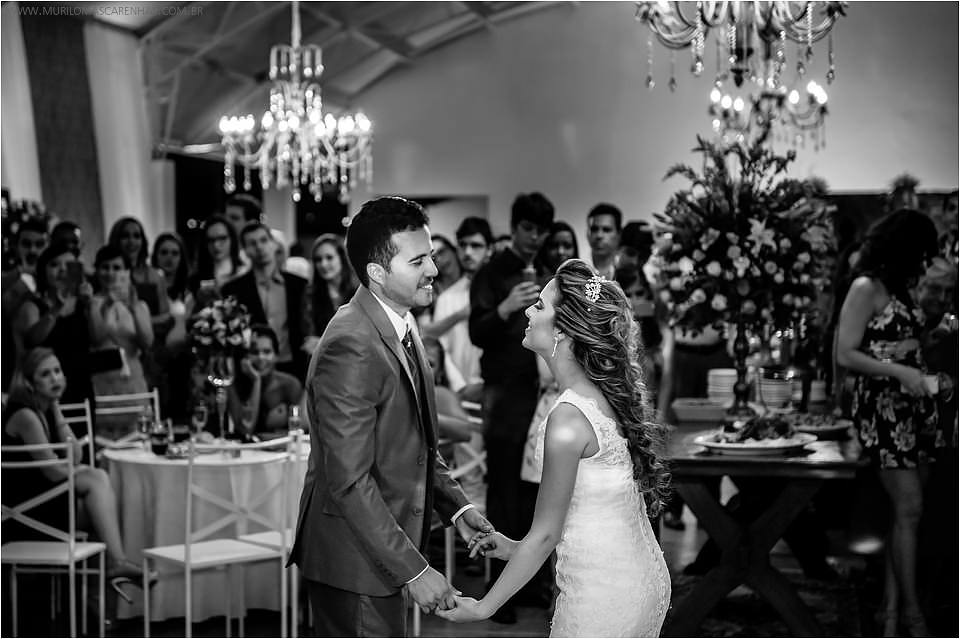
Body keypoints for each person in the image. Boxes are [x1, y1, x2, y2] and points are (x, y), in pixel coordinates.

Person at [289, 196, 493, 637]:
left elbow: (417, 442)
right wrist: (415, 571)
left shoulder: (401, 321)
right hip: (353, 562)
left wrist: (458, 508)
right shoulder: (352, 344)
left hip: (381, 550)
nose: (434, 269)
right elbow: (348, 480)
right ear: (378, 273)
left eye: (432, 256)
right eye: (418, 260)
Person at [439, 259, 671, 636]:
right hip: (639, 577)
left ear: (563, 330)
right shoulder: (604, 396)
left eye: (540, 306)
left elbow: (546, 534)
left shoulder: (567, 418)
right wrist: (514, 548)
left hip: (604, 597)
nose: (529, 310)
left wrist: (483, 607)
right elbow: (586, 512)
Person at [836, 208, 940, 637]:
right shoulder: (865, 287)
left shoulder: (906, 286)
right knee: (910, 506)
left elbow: (908, 339)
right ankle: (913, 616)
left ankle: (891, 613)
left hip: (916, 404)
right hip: (882, 406)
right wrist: (900, 372)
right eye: (923, 252)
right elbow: (846, 352)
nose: (927, 261)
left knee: (907, 514)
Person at [2, 348, 154, 590]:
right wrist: (87, 474)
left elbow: (75, 455)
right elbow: (52, 472)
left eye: (57, 371)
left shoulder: (44, 409)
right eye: (45, 374)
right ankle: (113, 572)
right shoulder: (25, 416)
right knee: (100, 488)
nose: (55, 378)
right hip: (24, 514)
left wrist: (56, 407)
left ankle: (105, 586)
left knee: (100, 502)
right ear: (29, 383)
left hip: (45, 503)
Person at [469, 191, 554, 623]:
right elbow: (476, 332)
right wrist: (504, 307)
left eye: (541, 230)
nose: (534, 237)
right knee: (503, 489)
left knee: (536, 492)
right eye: (527, 228)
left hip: (541, 393)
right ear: (515, 225)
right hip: (503, 392)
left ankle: (535, 583)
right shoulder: (491, 271)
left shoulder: (546, 269)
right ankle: (498, 591)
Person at [222, 221, 308, 382]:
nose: (259, 247)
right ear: (245, 251)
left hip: (293, 365)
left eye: (263, 240)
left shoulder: (299, 284)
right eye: (252, 243)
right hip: (252, 369)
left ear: (273, 244)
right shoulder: (233, 289)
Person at [13, 242, 94, 404]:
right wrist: (56, 309)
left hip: (81, 385)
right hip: (45, 389)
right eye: (55, 264)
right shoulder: (32, 305)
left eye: (69, 265)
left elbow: (97, 338)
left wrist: (91, 305)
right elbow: (32, 341)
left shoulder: (83, 303)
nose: (62, 270)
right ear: (43, 271)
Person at [422, 217, 493, 400]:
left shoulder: (500, 293)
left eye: (476, 246)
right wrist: (460, 386)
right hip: (459, 390)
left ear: (489, 249)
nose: (467, 252)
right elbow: (440, 348)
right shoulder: (447, 298)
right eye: (462, 245)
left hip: (495, 385)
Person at [88, 245, 154, 440]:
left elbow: (147, 343)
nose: (111, 273)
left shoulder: (139, 305)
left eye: (117, 268)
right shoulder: (91, 303)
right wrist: (107, 303)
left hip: (132, 381)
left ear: (127, 271)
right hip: (102, 383)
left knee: (139, 441)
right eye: (105, 267)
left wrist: (132, 306)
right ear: (97, 270)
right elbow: (97, 337)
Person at [229, 324, 303, 438]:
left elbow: (298, 431)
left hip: (281, 452)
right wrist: (256, 381)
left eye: (267, 352)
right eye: (254, 352)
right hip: (247, 453)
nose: (261, 357)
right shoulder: (235, 385)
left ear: (276, 356)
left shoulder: (290, 384)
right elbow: (246, 431)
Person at [151, 233, 195, 420]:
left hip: (182, 359)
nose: (169, 258)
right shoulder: (149, 285)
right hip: (154, 358)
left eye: (175, 253)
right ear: (155, 256)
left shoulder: (189, 288)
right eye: (164, 252)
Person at [301, 234, 358, 357]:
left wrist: (323, 343)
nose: (323, 264)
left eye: (329, 257)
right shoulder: (310, 294)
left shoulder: (359, 291)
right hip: (323, 364)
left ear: (342, 258)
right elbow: (309, 342)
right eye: (318, 259)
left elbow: (362, 337)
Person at [188, 214, 244, 295]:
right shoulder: (196, 279)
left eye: (222, 238)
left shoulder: (244, 272)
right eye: (211, 240)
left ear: (232, 239)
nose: (216, 245)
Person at [586, 203, 622, 280]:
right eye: (594, 229)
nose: (599, 235)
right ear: (587, 234)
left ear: (619, 234)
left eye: (606, 230)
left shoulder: (628, 270)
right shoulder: (577, 270)